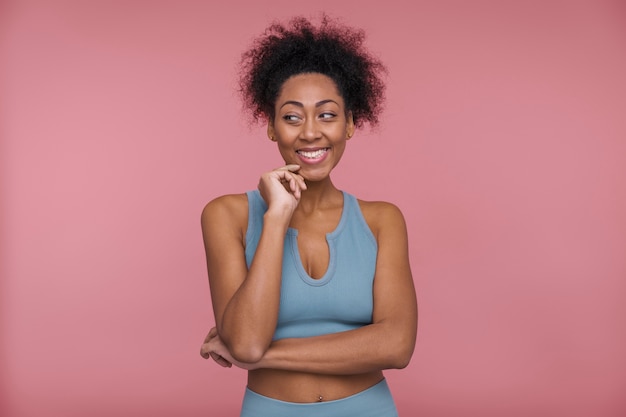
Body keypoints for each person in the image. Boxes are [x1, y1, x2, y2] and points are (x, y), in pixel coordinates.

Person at [199, 15, 417, 417]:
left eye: (328, 115)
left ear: (350, 124)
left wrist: (264, 357)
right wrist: (277, 217)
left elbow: (396, 346)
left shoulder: (383, 221)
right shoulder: (227, 215)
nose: (311, 133)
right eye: (293, 117)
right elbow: (246, 342)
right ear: (271, 127)